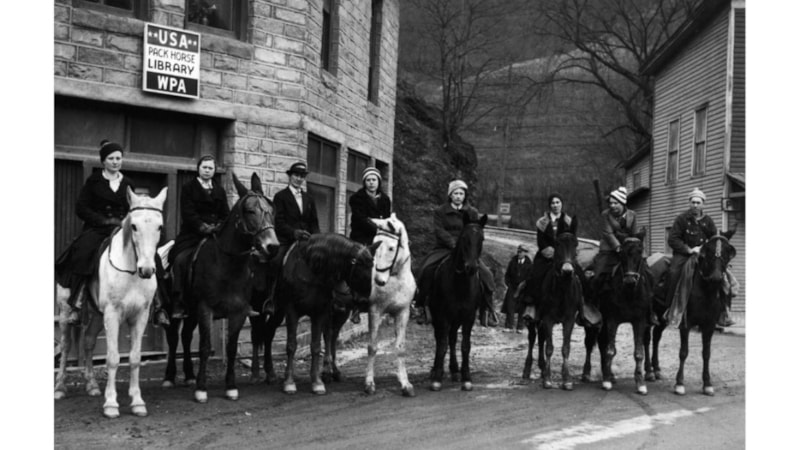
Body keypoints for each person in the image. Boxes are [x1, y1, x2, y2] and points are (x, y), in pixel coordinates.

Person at [55, 140, 167, 325]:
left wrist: (127, 221)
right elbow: (81, 207)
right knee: (83, 253)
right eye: (111, 158)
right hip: (98, 228)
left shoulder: (128, 183)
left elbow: (135, 208)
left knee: (151, 257)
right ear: (103, 161)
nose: (115, 162)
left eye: (118, 158)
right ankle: (77, 301)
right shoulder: (94, 181)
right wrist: (102, 220)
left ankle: (159, 306)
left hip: (123, 229)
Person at [413, 179, 497, 326]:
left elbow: (476, 231)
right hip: (445, 248)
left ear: (465, 196)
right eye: (455, 193)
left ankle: (488, 310)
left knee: (487, 275)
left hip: (467, 251)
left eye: (461, 193)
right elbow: (439, 230)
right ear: (450, 195)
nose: (458, 196)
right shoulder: (440, 211)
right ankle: (422, 305)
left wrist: (467, 246)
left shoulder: (472, 212)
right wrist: (453, 244)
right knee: (426, 269)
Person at [168, 155, 232, 319]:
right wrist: (203, 227)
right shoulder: (189, 187)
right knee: (180, 260)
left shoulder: (219, 190)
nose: (207, 171)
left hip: (216, 235)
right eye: (204, 167)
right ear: (198, 168)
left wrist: (220, 227)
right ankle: (178, 301)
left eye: (210, 168)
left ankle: (234, 299)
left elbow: (226, 214)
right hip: (193, 234)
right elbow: (188, 213)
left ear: (214, 171)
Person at [521, 193, 599, 326]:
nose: (555, 205)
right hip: (547, 255)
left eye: (558, 202)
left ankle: (585, 308)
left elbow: (572, 239)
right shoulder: (542, 222)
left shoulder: (569, 221)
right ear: (549, 205)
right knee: (535, 275)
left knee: (581, 276)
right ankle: (532, 306)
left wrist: (565, 253)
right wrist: (550, 252)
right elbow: (541, 241)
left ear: (562, 204)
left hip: (565, 255)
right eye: (553, 203)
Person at [666, 188, 738, 327]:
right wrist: (689, 249)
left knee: (723, 277)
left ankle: (724, 312)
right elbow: (673, 239)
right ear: (689, 203)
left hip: (703, 256)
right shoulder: (681, 219)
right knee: (673, 272)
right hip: (684, 255)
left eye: (698, 202)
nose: (695, 205)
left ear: (703, 204)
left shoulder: (708, 221)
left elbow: (715, 239)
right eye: (693, 202)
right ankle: (670, 309)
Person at [263, 161, 321, 315]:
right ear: (290, 176)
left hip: (307, 240)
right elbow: (279, 222)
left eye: (302, 176)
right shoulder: (280, 196)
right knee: (275, 261)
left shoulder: (309, 198)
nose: (299, 179)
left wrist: (316, 238)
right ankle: (270, 298)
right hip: (287, 239)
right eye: (296, 175)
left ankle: (321, 299)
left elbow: (314, 222)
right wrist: (294, 233)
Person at [347, 166, 391, 323]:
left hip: (380, 238)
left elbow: (387, 219)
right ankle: (356, 304)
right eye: (368, 180)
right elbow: (360, 219)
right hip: (362, 237)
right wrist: (378, 226)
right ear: (364, 182)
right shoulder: (356, 198)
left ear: (378, 182)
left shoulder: (385, 200)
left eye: (374, 180)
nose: (371, 183)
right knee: (358, 267)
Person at [502, 245, 532, 332]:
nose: (519, 254)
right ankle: (508, 326)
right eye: (518, 252)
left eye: (521, 252)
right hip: (512, 287)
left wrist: (525, 285)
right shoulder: (513, 261)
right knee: (510, 306)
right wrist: (508, 284)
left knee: (522, 308)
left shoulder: (529, 264)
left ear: (525, 253)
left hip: (524, 289)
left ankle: (520, 327)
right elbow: (507, 274)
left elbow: (530, 277)